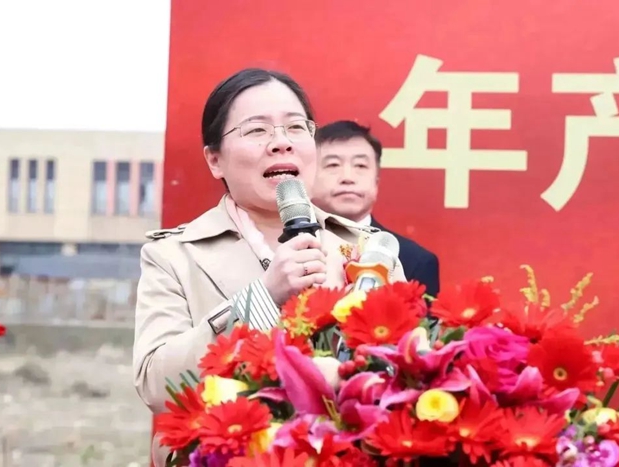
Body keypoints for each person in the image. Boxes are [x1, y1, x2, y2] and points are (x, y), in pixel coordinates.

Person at [132, 69, 406, 467]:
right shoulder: (174, 256)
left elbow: (405, 378)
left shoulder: (368, 249)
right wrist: (263, 297)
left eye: (295, 127)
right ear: (215, 160)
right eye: (257, 130)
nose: (281, 142)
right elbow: (157, 385)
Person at [312, 120, 440, 297]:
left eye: (360, 166)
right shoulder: (291, 248)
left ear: (376, 181)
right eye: (333, 165)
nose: (348, 177)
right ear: (308, 176)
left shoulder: (415, 260)